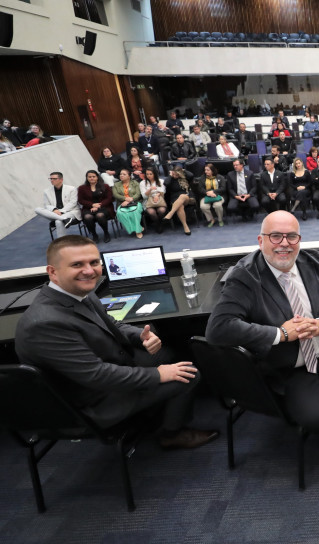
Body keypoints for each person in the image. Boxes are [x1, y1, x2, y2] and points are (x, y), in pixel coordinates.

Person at [15, 236, 218, 449]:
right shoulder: (45, 323)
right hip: (91, 403)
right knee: (188, 375)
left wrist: (138, 336)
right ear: (53, 272)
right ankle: (172, 434)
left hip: (102, 375)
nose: (89, 270)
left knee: (167, 354)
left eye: (94, 262)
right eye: (77, 265)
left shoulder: (78, 292)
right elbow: (97, 375)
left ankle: (155, 412)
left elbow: (113, 323)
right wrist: (159, 374)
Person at [206, 211, 319, 463]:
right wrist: (279, 334)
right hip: (290, 364)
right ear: (261, 241)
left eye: (291, 236)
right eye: (275, 236)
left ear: (299, 239)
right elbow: (218, 329)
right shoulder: (245, 276)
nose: (284, 243)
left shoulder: (314, 261)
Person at [36, 171, 81, 237]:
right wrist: (54, 209)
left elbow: (73, 203)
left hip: (71, 212)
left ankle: (62, 242)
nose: (52, 180)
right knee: (37, 209)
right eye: (50, 179)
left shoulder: (71, 189)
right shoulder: (47, 191)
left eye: (54, 179)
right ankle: (64, 219)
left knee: (58, 221)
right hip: (55, 213)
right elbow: (47, 205)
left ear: (61, 180)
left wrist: (61, 211)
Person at [77, 170, 115, 243]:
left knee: (100, 215)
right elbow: (81, 200)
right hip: (88, 208)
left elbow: (109, 198)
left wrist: (98, 205)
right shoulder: (82, 188)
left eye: (93, 176)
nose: (91, 178)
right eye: (89, 177)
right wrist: (92, 205)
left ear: (97, 177)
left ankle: (106, 233)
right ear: (87, 178)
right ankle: (94, 235)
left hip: (104, 207)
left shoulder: (105, 186)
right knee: (88, 217)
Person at [112, 168, 144, 239]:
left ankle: (138, 231)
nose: (121, 175)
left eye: (124, 174)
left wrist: (130, 199)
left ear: (129, 176)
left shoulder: (135, 183)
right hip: (122, 203)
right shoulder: (116, 185)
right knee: (120, 214)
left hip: (135, 202)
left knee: (134, 212)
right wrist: (125, 199)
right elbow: (115, 195)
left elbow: (138, 194)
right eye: (120, 174)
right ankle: (135, 228)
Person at [163, 166, 195, 235]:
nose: (175, 176)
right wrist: (170, 176)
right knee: (180, 206)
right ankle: (185, 226)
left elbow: (191, 175)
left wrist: (184, 170)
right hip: (175, 200)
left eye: (177, 175)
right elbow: (166, 183)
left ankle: (171, 213)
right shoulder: (171, 179)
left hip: (188, 198)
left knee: (182, 196)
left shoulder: (185, 178)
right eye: (174, 174)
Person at [195, 163, 226, 227]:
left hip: (218, 195)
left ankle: (220, 219)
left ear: (212, 170)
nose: (206, 171)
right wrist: (208, 193)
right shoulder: (202, 178)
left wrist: (213, 192)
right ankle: (211, 219)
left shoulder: (220, 177)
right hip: (206, 196)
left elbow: (223, 188)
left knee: (217, 205)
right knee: (203, 206)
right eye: (205, 170)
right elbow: (200, 189)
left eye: (208, 170)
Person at [141, 167, 167, 234]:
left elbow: (163, 191)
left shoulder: (161, 181)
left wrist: (157, 195)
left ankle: (160, 222)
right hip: (148, 202)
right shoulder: (142, 183)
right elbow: (144, 196)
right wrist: (150, 189)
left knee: (161, 210)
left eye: (150, 174)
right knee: (152, 212)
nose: (148, 176)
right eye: (147, 174)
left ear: (154, 174)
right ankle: (158, 224)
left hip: (159, 200)